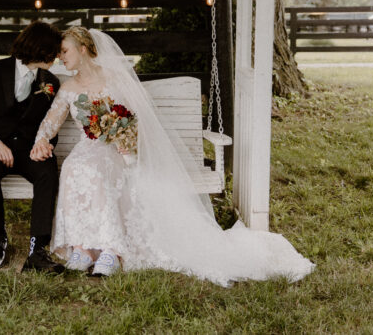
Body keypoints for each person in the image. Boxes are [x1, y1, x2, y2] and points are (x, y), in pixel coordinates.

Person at [30, 27, 315, 285]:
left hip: (119, 147)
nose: (60, 56)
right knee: (74, 167)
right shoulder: (68, 88)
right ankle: (82, 247)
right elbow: (50, 122)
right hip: (88, 146)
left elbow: (139, 116)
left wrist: (126, 139)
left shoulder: (114, 78)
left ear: (82, 49)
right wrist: (42, 139)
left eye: (64, 51)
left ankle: (111, 250)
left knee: (101, 168)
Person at [0, 21, 64, 273]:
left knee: (47, 171)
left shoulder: (51, 81)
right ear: (39, 49)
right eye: (53, 51)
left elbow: (50, 126)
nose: (57, 56)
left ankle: (38, 250)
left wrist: (43, 145)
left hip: (28, 149)